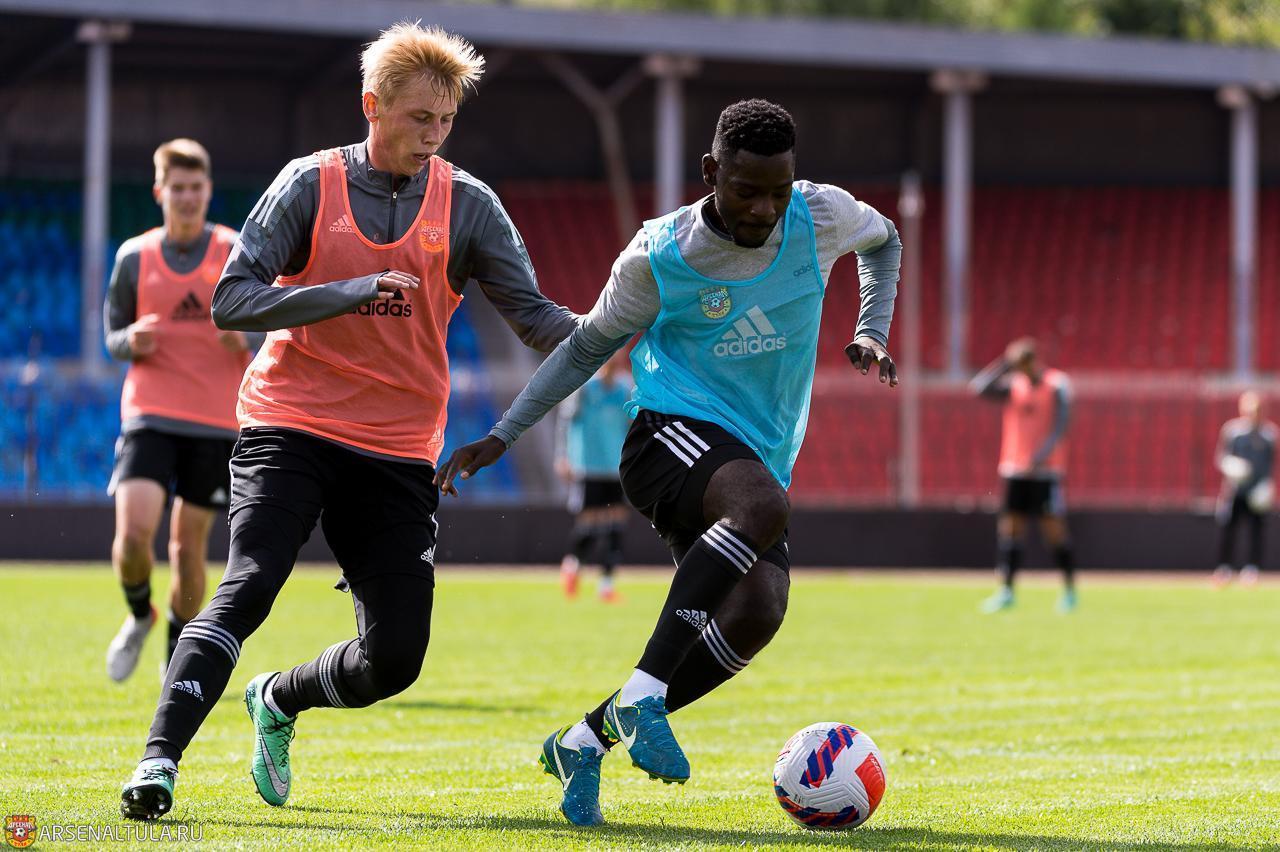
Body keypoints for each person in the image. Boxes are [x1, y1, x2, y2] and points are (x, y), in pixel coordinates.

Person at [119, 22, 579, 821]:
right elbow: (233, 299)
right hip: (289, 421)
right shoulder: (309, 184)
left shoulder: (469, 205)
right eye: (418, 118)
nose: (433, 136)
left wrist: (622, 324)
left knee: (396, 660)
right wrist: (346, 292)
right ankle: (157, 763)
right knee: (250, 582)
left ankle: (278, 697)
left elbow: (537, 320)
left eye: (446, 121)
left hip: (398, 448)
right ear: (372, 106)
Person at [437, 99, 901, 827]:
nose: (764, 210)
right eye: (746, 191)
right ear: (711, 172)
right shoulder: (660, 256)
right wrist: (504, 433)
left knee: (758, 611)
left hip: (756, 455)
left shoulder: (820, 216)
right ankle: (646, 694)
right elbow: (586, 346)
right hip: (666, 436)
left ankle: (585, 739)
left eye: (777, 192)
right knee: (762, 505)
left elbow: (885, 239)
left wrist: (872, 328)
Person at [103, 138, 258, 684]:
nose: (188, 197)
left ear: (208, 190)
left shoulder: (234, 251)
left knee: (187, 548)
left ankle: (176, 649)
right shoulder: (134, 256)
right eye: (178, 188)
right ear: (159, 192)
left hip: (216, 423)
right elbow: (111, 336)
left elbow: (268, 322)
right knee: (133, 537)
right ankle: (139, 612)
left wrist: (246, 337)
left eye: (196, 187)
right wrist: (130, 340)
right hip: (149, 414)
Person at [970, 338, 1075, 613]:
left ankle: (1069, 591)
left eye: (1020, 364)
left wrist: (1038, 458)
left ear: (1033, 360)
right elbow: (978, 387)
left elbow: (1061, 426)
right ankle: (1006, 591)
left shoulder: (1057, 384)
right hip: (1014, 469)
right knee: (1011, 530)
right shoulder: (1014, 385)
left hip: (1045, 472)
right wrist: (1003, 364)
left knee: (1054, 531)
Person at [556, 349, 635, 602]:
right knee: (589, 524)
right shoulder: (584, 388)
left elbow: (631, 426)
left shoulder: (625, 389)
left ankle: (606, 585)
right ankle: (573, 565)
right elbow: (565, 423)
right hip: (588, 465)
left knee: (615, 526)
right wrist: (563, 456)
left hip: (615, 466)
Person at [1213, 391, 1275, 587]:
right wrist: (1231, 466)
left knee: (1256, 531)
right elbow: (1221, 457)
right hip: (1235, 491)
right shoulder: (1233, 431)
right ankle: (1224, 568)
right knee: (1229, 529)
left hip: (1257, 493)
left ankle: (1252, 569)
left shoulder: (1269, 435)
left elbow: (1270, 464)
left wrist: (1267, 486)